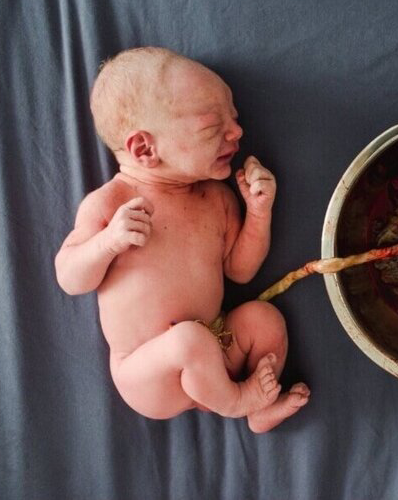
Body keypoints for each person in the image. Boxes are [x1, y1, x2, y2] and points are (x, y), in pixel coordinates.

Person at [55, 47, 310, 433]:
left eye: (235, 118)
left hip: (217, 350)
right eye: (213, 127)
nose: (237, 132)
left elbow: (240, 271)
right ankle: (239, 402)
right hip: (149, 374)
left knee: (264, 319)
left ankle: (258, 412)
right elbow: (70, 278)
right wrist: (107, 242)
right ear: (144, 149)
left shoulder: (217, 199)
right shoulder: (112, 204)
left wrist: (259, 211)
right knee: (188, 341)